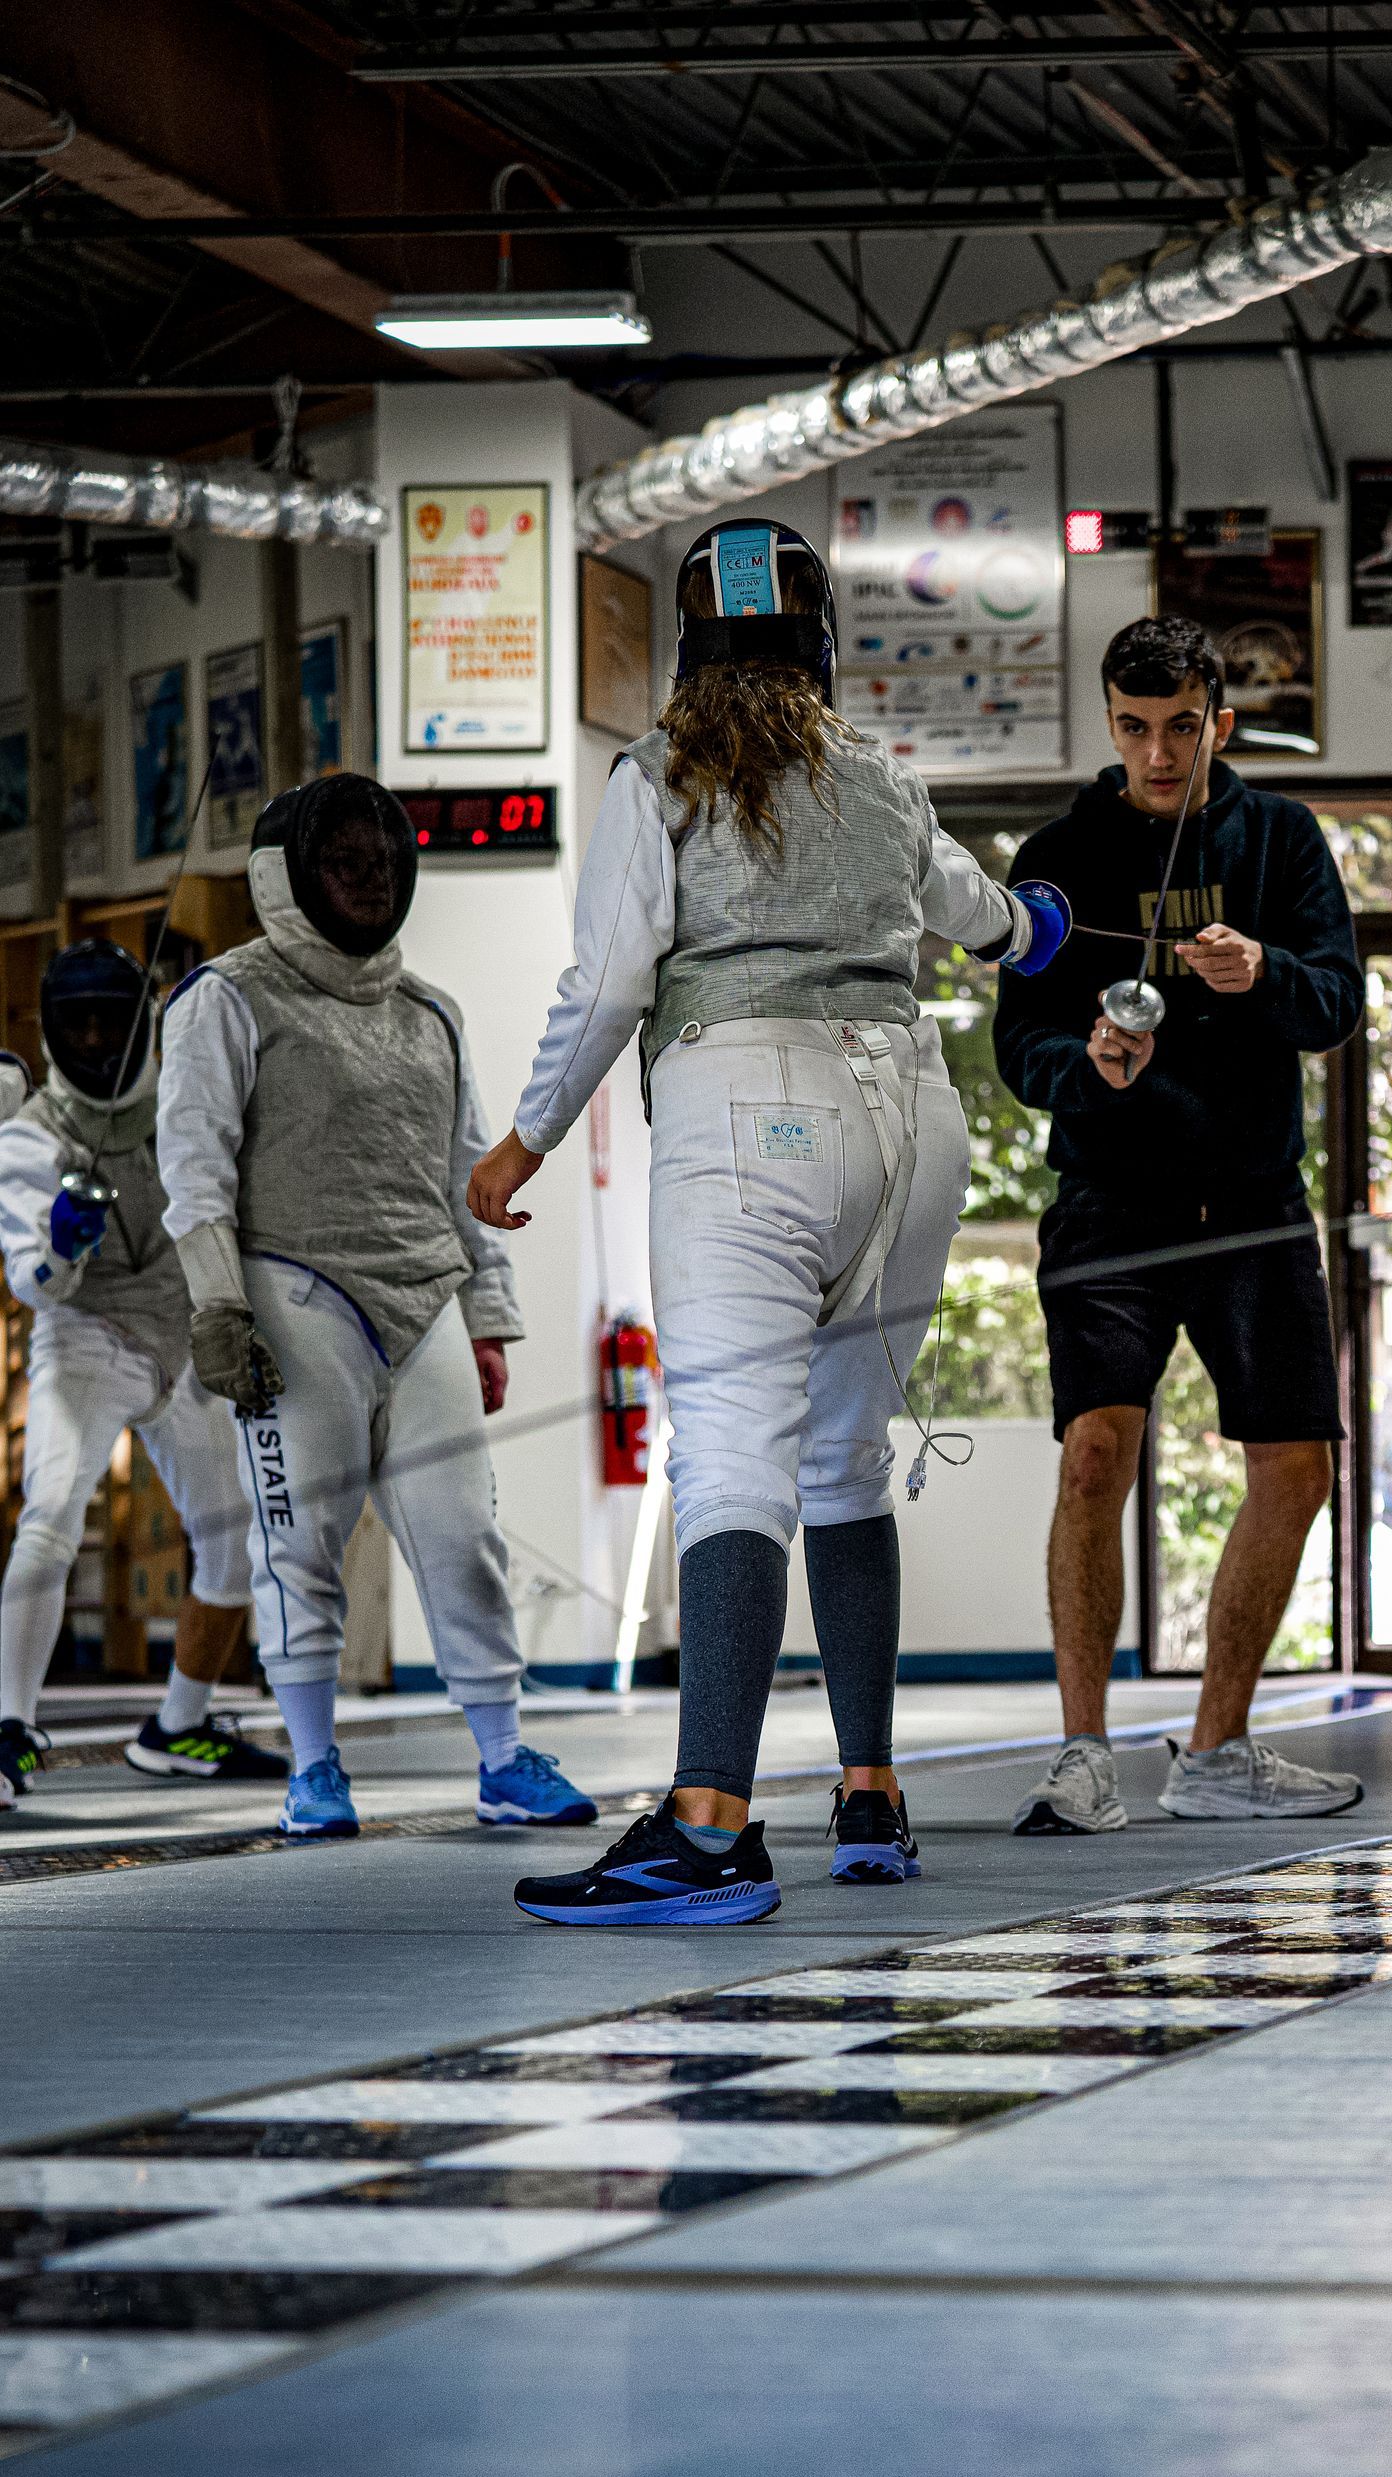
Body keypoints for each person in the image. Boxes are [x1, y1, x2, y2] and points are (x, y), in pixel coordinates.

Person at [468, 515, 1058, 1925]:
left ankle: (712, 1830)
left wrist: (523, 1138)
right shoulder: (887, 784)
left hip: (747, 1115)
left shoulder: (657, 775)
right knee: (847, 1463)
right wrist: (1044, 920)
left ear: (690, 650)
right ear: (820, 645)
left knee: (734, 1455)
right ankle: (869, 1793)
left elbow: (612, 986)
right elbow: (997, 926)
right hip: (911, 1125)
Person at [156, 774, 596, 1842]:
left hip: (423, 1297)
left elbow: (465, 1170)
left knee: (462, 1539)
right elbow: (195, 1168)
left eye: (383, 863)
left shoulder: (428, 1010)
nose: (369, 880)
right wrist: (220, 1306)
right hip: (289, 1291)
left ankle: (502, 1756)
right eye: (345, 864)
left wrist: (489, 1314)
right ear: (290, 877)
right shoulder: (227, 996)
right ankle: (313, 1765)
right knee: (297, 1540)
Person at [995, 614, 1365, 1833]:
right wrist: (1087, 1062)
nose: (1160, 752)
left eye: (1181, 728)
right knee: (1096, 1450)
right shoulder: (1057, 854)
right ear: (1110, 723)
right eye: (1136, 728)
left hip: (1254, 1199)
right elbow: (1019, 1045)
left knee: (1298, 1467)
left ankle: (1215, 1751)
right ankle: (1083, 1754)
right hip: (1111, 1200)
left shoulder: (1281, 839)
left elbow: (1335, 1006)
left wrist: (1260, 972)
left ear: (1220, 721)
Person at [0, 939, 283, 1802]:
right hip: (89, 1338)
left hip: (192, 1334)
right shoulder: (29, 1133)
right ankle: (8, 1727)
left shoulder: (184, 1098)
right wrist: (60, 1241)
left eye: (109, 1019)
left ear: (144, 1021)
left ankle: (181, 1724)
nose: (92, 1037)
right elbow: (30, 1283)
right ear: (50, 1030)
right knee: (48, 1518)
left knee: (234, 1536)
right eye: (76, 1021)